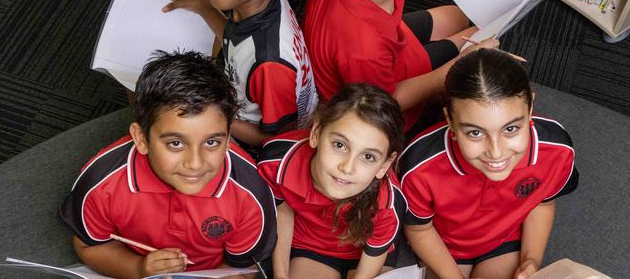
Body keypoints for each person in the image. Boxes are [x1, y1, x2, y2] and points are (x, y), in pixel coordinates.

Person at [59, 51, 276, 279]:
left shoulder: (251, 194)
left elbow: (243, 270)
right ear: (141, 139)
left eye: (212, 142)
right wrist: (138, 269)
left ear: (229, 136)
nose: (195, 163)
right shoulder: (100, 183)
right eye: (175, 143)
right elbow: (89, 245)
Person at [303, 0, 498, 135]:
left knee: (457, 17)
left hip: (387, 42)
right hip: (381, 102)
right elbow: (387, 101)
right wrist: (457, 66)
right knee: (484, 36)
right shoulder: (363, 49)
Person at [398, 49, 579, 279]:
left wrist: (530, 261)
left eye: (511, 129)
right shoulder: (417, 166)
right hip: (445, 248)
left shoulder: (557, 149)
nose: (496, 152)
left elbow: (542, 203)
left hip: (505, 241)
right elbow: (419, 228)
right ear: (450, 121)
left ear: (530, 108)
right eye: (475, 132)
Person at [163, 0, 317, 149]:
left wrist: (211, 113)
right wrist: (202, 7)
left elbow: (278, 139)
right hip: (239, 101)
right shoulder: (264, 2)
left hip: (252, 146)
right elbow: (236, 38)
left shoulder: (269, 63)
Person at [257, 83, 407, 279]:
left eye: (368, 157)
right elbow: (282, 212)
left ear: (385, 165)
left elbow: (373, 257)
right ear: (317, 132)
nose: (347, 167)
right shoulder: (276, 163)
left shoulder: (388, 202)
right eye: (339, 145)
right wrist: (281, 275)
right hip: (311, 249)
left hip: (364, 255)